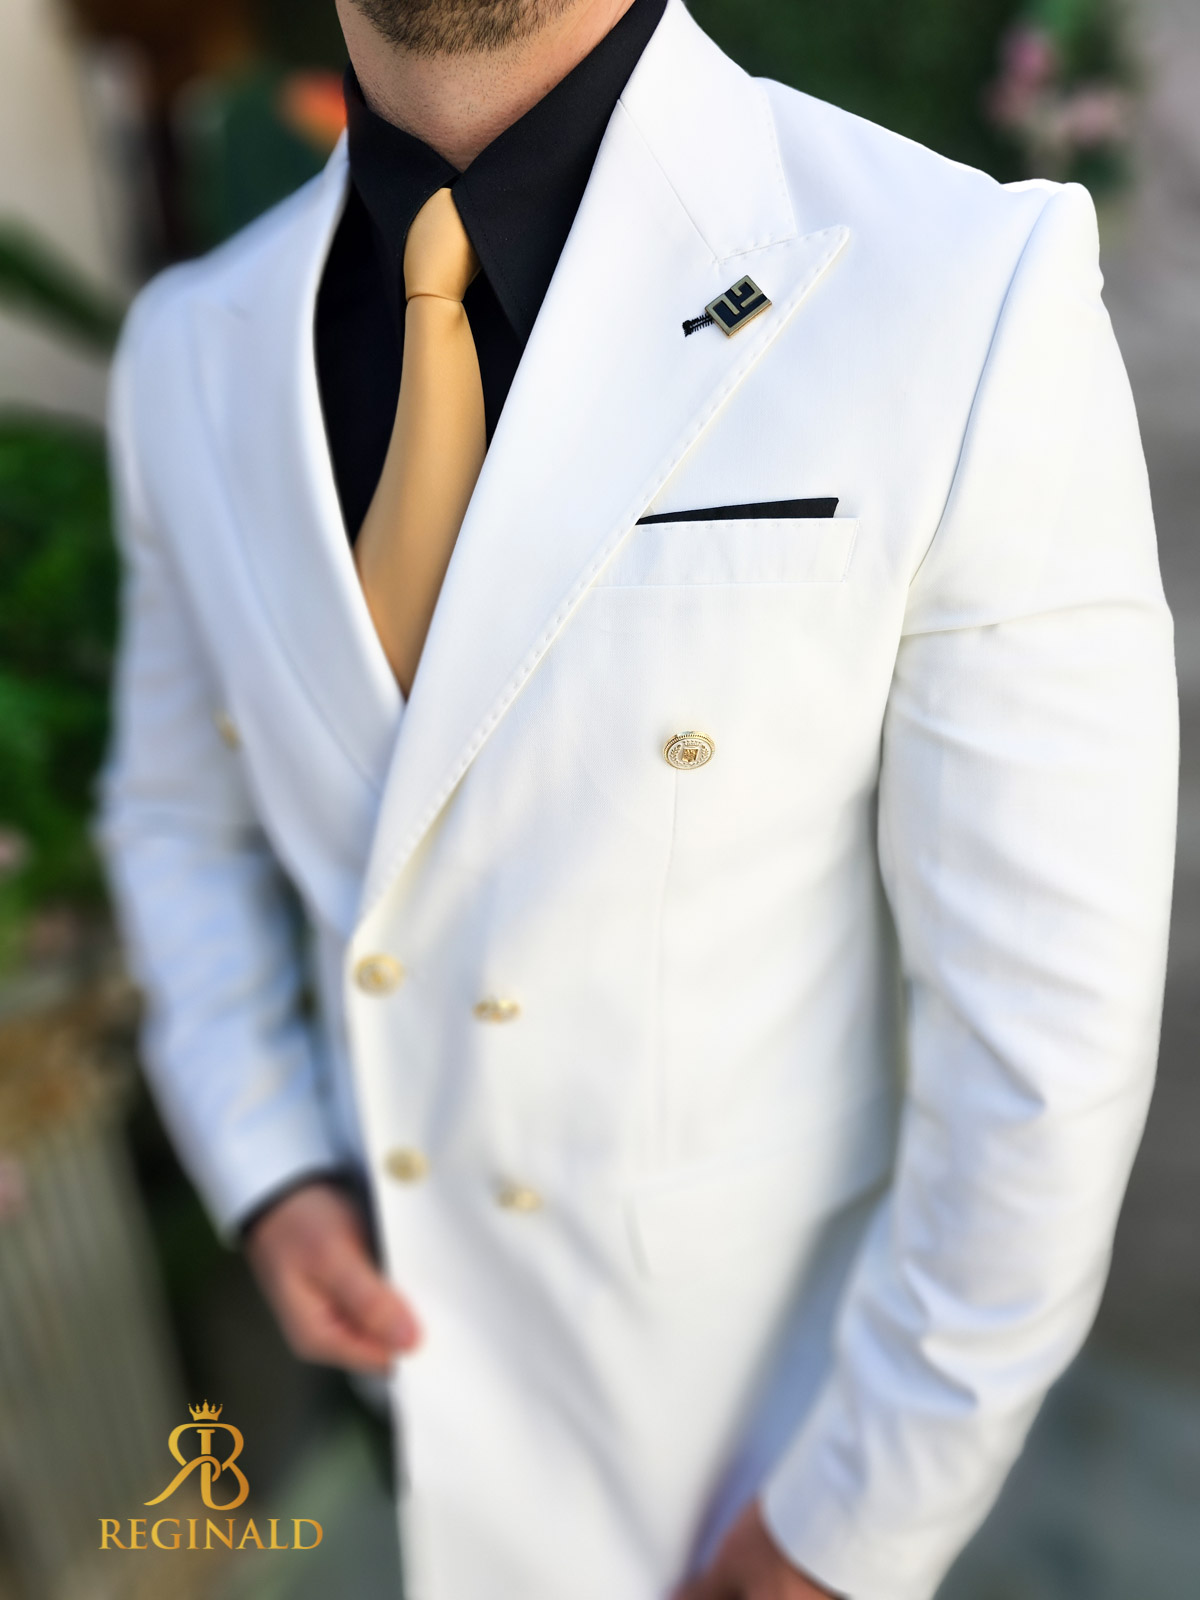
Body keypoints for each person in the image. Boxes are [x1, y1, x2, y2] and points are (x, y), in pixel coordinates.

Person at [98, 0, 1179, 1594]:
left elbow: (1046, 1027)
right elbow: (176, 819)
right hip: (413, 1395)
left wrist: (863, 1518)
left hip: (761, 1439)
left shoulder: (959, 283)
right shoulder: (193, 349)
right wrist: (270, 1166)